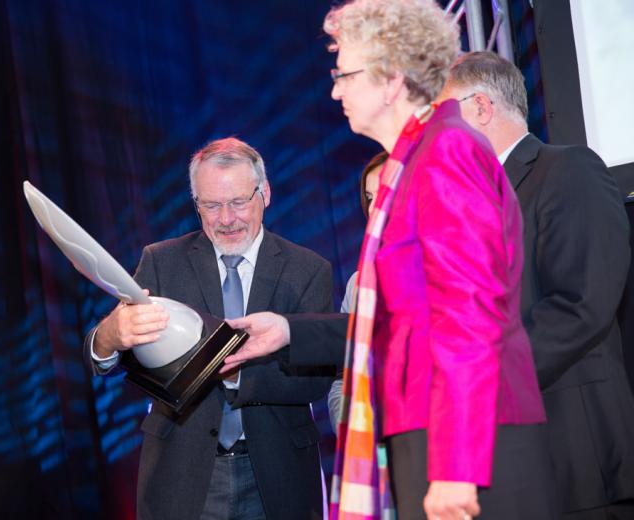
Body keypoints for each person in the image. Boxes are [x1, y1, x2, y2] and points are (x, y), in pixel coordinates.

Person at [225, 1, 558, 519]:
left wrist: (455, 467)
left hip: (467, 445)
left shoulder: (445, 152)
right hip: (434, 430)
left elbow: (469, 317)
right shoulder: (412, 166)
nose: (334, 89)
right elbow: (400, 320)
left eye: (346, 74)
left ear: (392, 80)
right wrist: (290, 331)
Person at [84, 137, 335, 520]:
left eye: (238, 202)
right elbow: (115, 356)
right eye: (211, 205)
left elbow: (315, 378)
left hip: (277, 473)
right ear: (195, 203)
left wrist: (230, 373)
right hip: (182, 471)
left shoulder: (308, 269)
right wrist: (108, 339)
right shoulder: (161, 261)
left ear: (264, 193)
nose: (226, 218)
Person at [437, 51, 634, 520]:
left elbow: (581, 304)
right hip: (511, 467)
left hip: (575, 454)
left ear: (481, 107)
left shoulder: (566, 171)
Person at [328, 150, 387, 433]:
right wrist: (353, 432)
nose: (375, 208)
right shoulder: (359, 284)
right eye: (370, 198)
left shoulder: (449, 267)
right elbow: (342, 376)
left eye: (386, 194)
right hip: (374, 448)